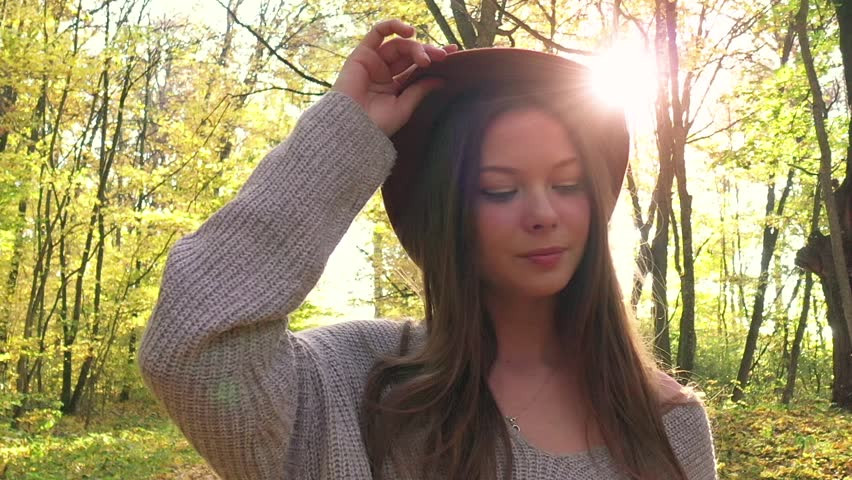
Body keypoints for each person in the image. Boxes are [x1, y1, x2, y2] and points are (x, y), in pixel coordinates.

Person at [139, 18, 718, 480]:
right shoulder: (358, 387)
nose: (543, 213)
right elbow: (194, 341)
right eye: (500, 190)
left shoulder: (669, 425)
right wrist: (344, 134)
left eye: (567, 185)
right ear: (450, 216)